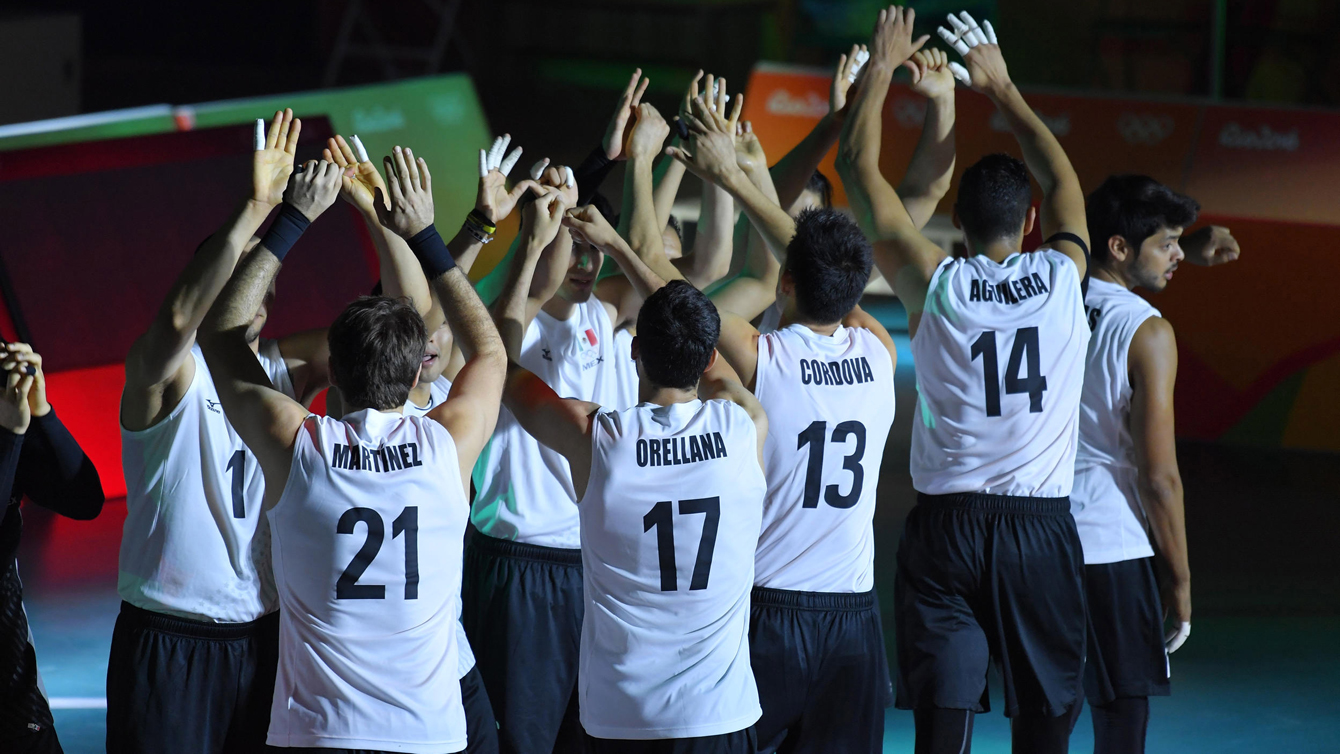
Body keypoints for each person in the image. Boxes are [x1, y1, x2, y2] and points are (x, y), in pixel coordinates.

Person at [837, 8, 1092, 753]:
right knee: (1045, 725)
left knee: (939, 733)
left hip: (946, 527)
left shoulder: (935, 283)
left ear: (955, 220)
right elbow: (1063, 175)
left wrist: (880, 72)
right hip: (1039, 530)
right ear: (1033, 221)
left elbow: (859, 174)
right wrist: (1002, 89)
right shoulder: (1061, 278)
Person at [198, 145, 506, 753]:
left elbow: (219, 334)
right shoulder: (448, 445)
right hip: (427, 732)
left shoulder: (302, 446)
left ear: (332, 372)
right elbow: (490, 350)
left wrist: (293, 217)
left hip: (321, 733)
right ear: (420, 368)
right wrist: (424, 235)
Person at [461, 75, 734, 754]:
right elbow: (519, 304)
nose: (583, 261)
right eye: (571, 245)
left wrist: (647, 164)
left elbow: (689, 271)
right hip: (516, 559)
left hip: (587, 563)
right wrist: (616, 169)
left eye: (591, 250)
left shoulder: (611, 316)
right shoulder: (508, 317)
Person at [667, 88, 904, 750]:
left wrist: (730, 177)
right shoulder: (880, 353)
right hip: (853, 619)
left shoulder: (759, 351)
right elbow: (830, 279)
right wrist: (742, 180)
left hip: (766, 606)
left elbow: (674, 301)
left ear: (787, 281)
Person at [501, 198, 768, 750]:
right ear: (708, 358)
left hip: (622, 717)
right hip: (720, 716)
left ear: (635, 353)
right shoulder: (745, 426)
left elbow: (497, 370)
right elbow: (708, 349)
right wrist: (622, 248)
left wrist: (529, 251)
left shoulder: (597, 437)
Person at [321, 132, 536, 754]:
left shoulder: (329, 434)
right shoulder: (441, 433)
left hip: (414, 653)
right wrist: (403, 227)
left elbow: (416, 312)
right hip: (419, 663)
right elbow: (418, 308)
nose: (431, 342)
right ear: (407, 361)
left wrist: (457, 227)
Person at [1075, 175, 1239, 754]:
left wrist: (1180, 247)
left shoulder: (1045, 295)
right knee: (1121, 723)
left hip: (1038, 539)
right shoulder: (1147, 331)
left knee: (1041, 719)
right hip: (1111, 548)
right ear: (1120, 247)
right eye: (1166, 243)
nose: (1177, 254)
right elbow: (1159, 477)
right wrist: (1181, 580)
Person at [0, 343, 104, 754]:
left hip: (14, 684)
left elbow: (85, 500)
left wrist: (41, 413)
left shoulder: (6, 423)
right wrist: (9, 436)